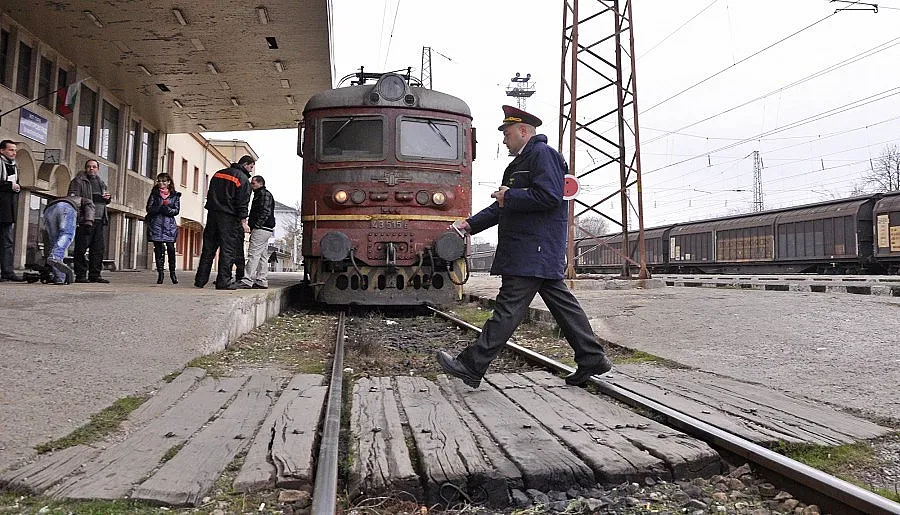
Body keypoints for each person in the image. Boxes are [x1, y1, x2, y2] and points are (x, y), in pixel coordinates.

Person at [436, 105, 612, 388]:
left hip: (533, 250)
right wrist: (468, 225)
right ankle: (591, 357)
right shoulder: (521, 163)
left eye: (506, 133)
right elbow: (503, 206)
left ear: (523, 131)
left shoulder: (543, 155)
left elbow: (550, 197)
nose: (504, 139)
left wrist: (512, 195)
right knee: (563, 307)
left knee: (507, 310)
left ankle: (471, 365)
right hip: (532, 251)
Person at [194, 155, 252, 290]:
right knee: (227, 250)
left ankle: (200, 280)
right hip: (229, 218)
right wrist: (244, 221)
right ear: (246, 164)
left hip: (212, 214)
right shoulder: (242, 179)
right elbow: (242, 203)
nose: (251, 170)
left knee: (208, 248)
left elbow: (210, 193)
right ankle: (223, 281)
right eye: (251, 167)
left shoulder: (218, 174)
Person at [67, 159, 111, 283]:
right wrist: (88, 202)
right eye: (89, 167)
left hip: (99, 219)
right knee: (81, 248)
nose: (91, 169)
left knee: (98, 249)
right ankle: (81, 275)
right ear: (85, 168)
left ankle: (95, 275)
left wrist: (108, 199)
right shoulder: (78, 181)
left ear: (98, 169)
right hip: (85, 220)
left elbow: (103, 200)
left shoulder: (101, 182)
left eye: (94, 167)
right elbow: (73, 199)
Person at [41, 194, 94, 285]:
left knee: (55, 243)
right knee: (67, 234)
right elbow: (90, 205)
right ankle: (55, 256)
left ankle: (59, 277)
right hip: (66, 207)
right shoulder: (84, 200)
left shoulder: (64, 198)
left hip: (48, 210)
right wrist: (88, 222)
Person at [238, 175, 275, 289]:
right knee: (262, 255)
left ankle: (247, 280)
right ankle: (261, 280)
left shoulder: (263, 194)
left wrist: (256, 225)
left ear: (260, 183)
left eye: (253, 183)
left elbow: (265, 211)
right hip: (266, 229)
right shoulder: (262, 194)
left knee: (253, 254)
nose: (251, 185)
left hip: (261, 228)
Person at [146, 173, 181, 284]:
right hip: (156, 225)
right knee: (158, 250)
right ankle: (160, 274)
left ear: (169, 182)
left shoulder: (175, 196)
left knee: (171, 249)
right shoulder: (154, 194)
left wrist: (168, 210)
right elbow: (149, 208)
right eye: (159, 181)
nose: (161, 183)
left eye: (164, 181)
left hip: (169, 226)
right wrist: (159, 208)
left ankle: (172, 273)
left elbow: (176, 210)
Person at [0, 140, 24, 282]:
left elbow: (15, 184)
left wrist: (16, 187)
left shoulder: (14, 166)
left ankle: (7, 272)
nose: (14, 153)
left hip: (8, 210)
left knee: (7, 242)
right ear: (2, 150)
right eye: (10, 150)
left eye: (15, 150)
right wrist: (10, 185)